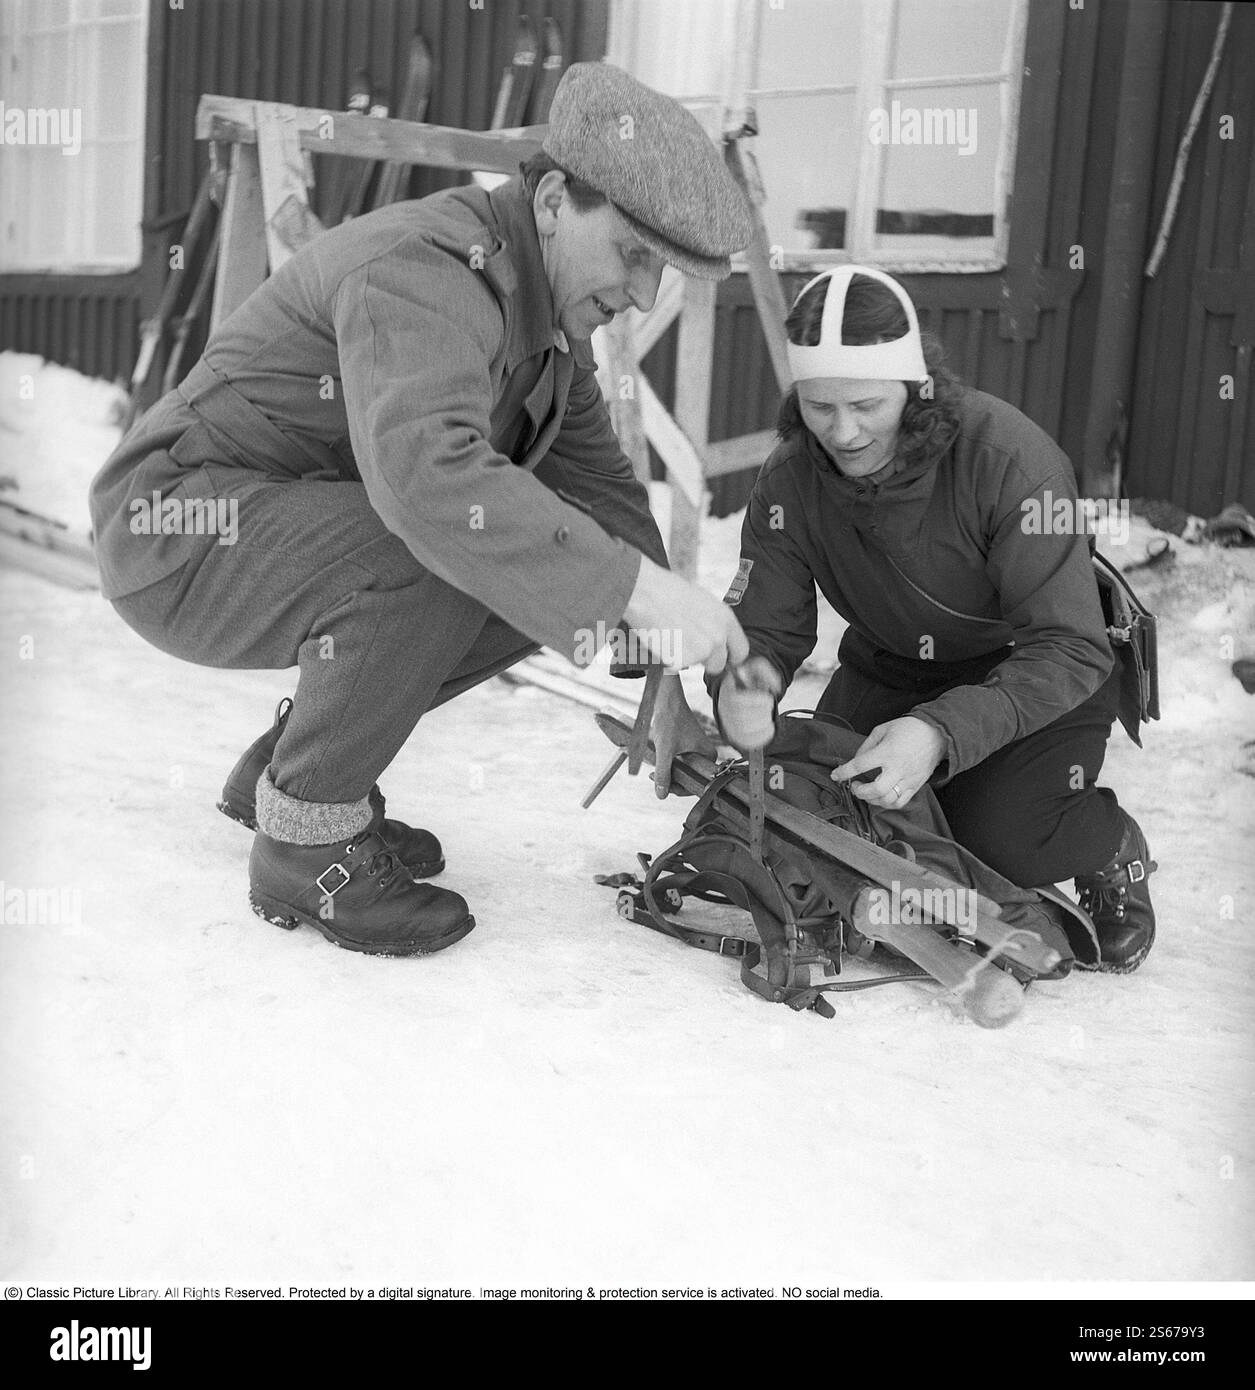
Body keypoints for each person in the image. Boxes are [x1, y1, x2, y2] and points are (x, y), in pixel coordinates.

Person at [89, 63, 753, 957]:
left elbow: (598, 495)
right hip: (174, 529)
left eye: (660, 271)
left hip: (264, 523)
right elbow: (427, 485)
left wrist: (674, 645)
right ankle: (306, 841)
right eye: (634, 255)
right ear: (553, 198)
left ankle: (288, 771)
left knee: (552, 572)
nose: (642, 295)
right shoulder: (426, 270)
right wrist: (631, 587)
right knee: (451, 534)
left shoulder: (546, 326)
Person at [713, 265, 1156, 972]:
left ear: (913, 387)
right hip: (888, 667)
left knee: (995, 836)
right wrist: (744, 686)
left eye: (864, 404)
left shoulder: (1009, 461)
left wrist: (938, 731)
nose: (843, 431)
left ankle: (1108, 845)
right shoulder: (791, 476)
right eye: (819, 408)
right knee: (817, 815)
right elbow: (765, 628)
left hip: (1033, 675)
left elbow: (1070, 646)